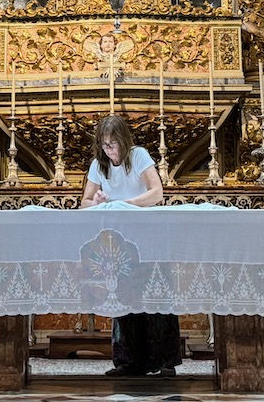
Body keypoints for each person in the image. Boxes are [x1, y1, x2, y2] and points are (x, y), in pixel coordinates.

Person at [81, 115, 181, 378]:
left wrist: (125, 204)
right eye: (104, 145)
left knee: (156, 292)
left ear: (124, 141)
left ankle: (165, 360)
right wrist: (101, 202)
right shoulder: (99, 165)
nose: (110, 150)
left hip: (148, 235)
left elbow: (157, 192)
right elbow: (85, 202)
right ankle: (129, 360)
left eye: (114, 144)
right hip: (120, 240)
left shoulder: (138, 156)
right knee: (124, 296)